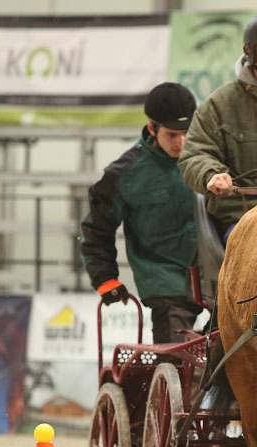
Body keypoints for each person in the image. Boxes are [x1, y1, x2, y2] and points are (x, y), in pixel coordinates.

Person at [80, 82, 204, 344]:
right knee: (178, 360)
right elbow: (96, 230)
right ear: (152, 129)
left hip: (214, 274)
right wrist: (105, 279)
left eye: (186, 133)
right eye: (172, 135)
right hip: (165, 283)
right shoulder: (123, 175)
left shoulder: (209, 159)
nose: (181, 143)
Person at [178, 9, 257, 242]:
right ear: (249, 52)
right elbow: (194, 154)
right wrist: (211, 175)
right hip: (242, 218)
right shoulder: (219, 104)